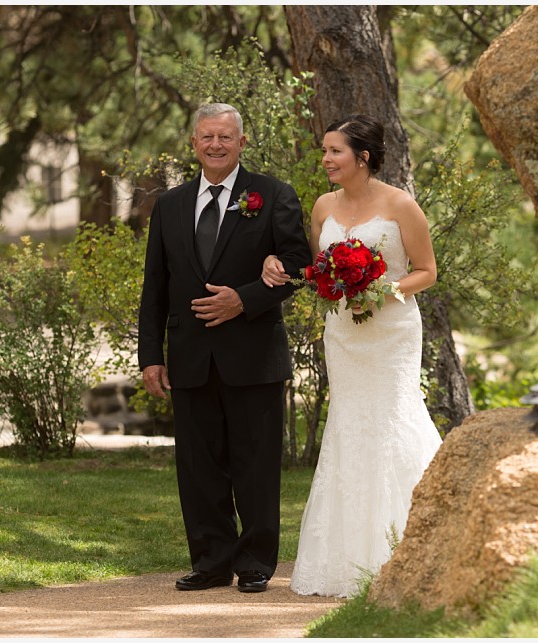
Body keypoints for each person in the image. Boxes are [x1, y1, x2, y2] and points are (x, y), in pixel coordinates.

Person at [262, 114, 443, 597]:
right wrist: (277, 264)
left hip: (391, 330)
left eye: (335, 151)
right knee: (349, 425)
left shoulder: (401, 205)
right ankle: (347, 557)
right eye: (325, 151)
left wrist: (385, 289)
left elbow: (427, 271)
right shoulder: (323, 206)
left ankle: (415, 545)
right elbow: (311, 267)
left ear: (363, 157)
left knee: (393, 419)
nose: (325, 159)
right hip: (342, 331)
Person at [138, 103, 312, 593]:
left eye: (225, 137)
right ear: (193, 142)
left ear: (241, 142)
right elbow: (155, 285)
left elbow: (299, 264)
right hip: (190, 356)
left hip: (254, 355)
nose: (216, 145)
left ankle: (255, 563)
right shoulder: (170, 204)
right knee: (198, 467)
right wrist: (150, 355)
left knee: (255, 465)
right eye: (207, 137)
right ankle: (211, 560)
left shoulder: (272, 194)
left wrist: (246, 300)